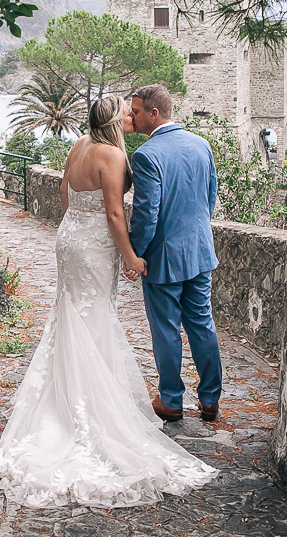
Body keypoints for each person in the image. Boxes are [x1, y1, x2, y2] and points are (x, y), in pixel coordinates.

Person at [0, 95, 218, 508]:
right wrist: (130, 256)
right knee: (97, 320)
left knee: (71, 316)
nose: (132, 117)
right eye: (126, 113)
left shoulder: (79, 145)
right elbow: (114, 214)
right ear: (114, 120)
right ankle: (103, 405)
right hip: (106, 245)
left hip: (70, 238)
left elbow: (64, 193)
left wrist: (76, 228)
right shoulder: (117, 154)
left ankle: (82, 394)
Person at [126, 85, 223, 424]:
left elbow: (146, 215)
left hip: (163, 258)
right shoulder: (202, 144)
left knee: (166, 329)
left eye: (136, 111)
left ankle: (171, 401)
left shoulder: (146, 155)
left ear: (154, 113)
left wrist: (134, 254)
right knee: (202, 324)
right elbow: (209, 200)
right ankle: (210, 401)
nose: (132, 116)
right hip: (199, 252)